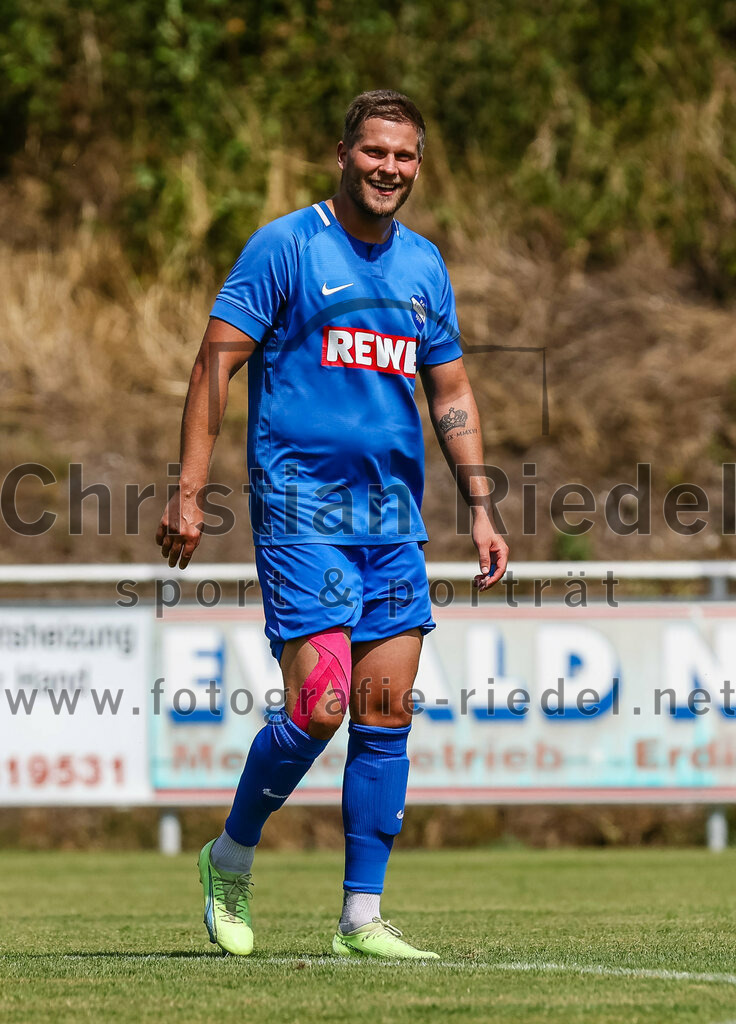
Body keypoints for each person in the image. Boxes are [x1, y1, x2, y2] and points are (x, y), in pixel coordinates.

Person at [156, 89, 508, 960]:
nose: (390, 168)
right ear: (343, 155)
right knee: (320, 708)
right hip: (300, 510)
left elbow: (451, 390)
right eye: (375, 151)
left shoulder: (424, 265)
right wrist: (188, 492)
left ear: (418, 165)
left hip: (393, 522)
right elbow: (213, 366)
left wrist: (480, 502)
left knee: (385, 713)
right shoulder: (287, 247)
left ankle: (362, 918)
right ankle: (230, 857)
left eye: (405, 155)